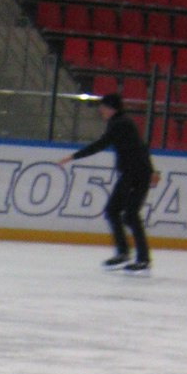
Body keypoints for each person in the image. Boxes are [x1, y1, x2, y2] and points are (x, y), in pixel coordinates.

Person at [71, 90, 155, 271]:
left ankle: (142, 258)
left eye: (102, 107)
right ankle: (124, 252)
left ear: (111, 108)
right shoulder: (120, 122)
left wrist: (74, 156)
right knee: (115, 211)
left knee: (129, 214)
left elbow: (102, 144)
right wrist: (151, 169)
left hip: (136, 174)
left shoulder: (120, 123)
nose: (100, 110)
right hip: (133, 173)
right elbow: (141, 146)